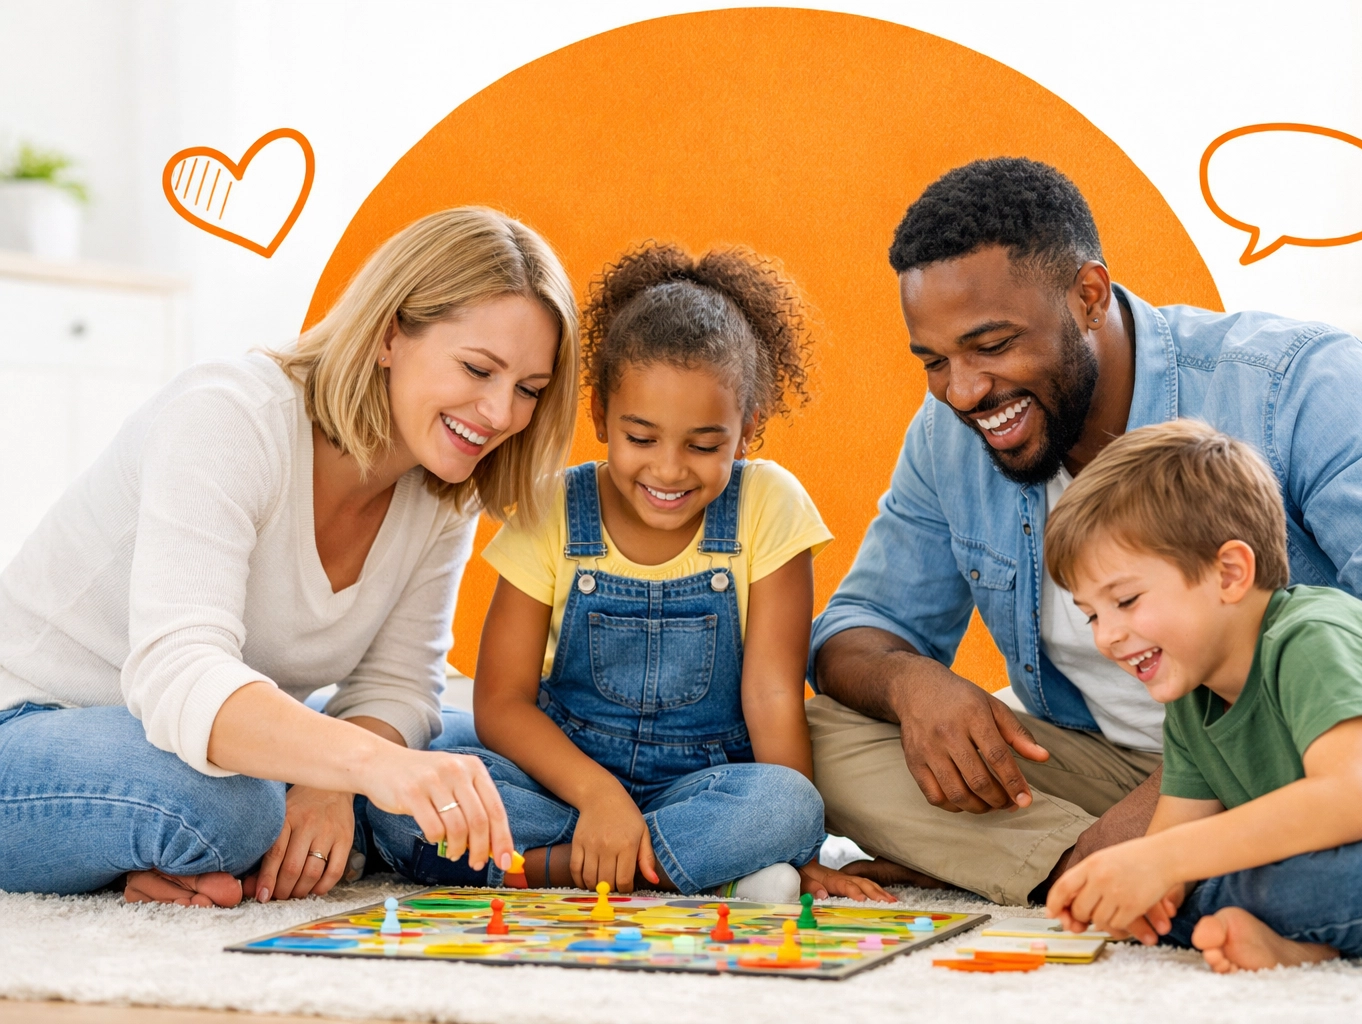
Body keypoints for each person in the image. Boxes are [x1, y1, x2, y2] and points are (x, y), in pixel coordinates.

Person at [809, 157, 1362, 906]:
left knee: (1326, 857)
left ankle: (1080, 866)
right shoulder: (950, 433)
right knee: (822, 740)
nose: (962, 391)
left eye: (991, 346)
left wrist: (1201, 776)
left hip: (1300, 757)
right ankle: (1102, 866)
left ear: (1087, 296)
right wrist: (912, 684)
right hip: (1104, 764)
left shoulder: (1291, 380)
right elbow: (857, 631)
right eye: (934, 361)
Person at [0, 207, 581, 906]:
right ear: (390, 334)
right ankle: (180, 837)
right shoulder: (229, 417)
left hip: (202, 742)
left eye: (529, 391)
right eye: (478, 369)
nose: (500, 415)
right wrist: (363, 767)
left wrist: (334, 779)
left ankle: (194, 847)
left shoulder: (442, 485)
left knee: (481, 755)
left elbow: (397, 684)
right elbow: (180, 673)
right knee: (238, 807)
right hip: (35, 723)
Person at [370, 243, 892, 903]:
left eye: (704, 446)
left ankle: (557, 869)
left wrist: (796, 844)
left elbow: (773, 696)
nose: (669, 471)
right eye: (641, 438)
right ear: (599, 415)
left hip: (699, 785)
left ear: (747, 427)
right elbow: (501, 703)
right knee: (404, 786)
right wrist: (599, 797)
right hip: (564, 783)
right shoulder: (553, 507)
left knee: (786, 803)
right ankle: (692, 867)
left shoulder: (770, 504)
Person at [1041, 420, 1362, 969]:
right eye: (1090, 615)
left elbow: (1349, 802)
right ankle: (1305, 945)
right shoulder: (1192, 696)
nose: (1106, 636)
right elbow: (1175, 844)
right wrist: (1144, 890)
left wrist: (1157, 861)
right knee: (1189, 887)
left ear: (1230, 572)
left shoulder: (1315, 635)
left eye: (1126, 601)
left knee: (1290, 880)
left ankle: (1297, 928)